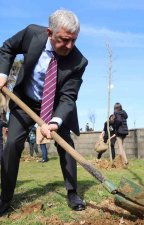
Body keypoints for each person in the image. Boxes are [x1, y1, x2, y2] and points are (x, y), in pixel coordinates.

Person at [0, 9, 88, 215]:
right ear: (50, 33)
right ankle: (5, 198)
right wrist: (2, 73)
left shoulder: (78, 62)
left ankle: (73, 193)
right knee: (12, 144)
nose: (69, 46)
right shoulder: (32, 34)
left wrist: (55, 122)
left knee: (66, 146)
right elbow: (7, 48)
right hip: (25, 103)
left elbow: (68, 97)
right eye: (64, 40)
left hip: (56, 106)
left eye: (73, 40)